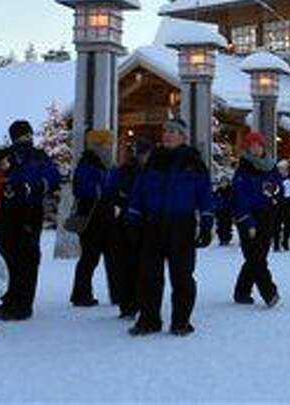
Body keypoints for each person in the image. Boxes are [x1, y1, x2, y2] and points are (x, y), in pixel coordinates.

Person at [125, 119, 213, 336]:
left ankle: (181, 321)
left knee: (182, 276)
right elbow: (138, 192)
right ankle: (149, 320)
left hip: (181, 225)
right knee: (149, 275)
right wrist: (133, 219)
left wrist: (207, 222)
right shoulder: (153, 161)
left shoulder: (193, 162)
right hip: (153, 224)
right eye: (166, 131)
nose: (168, 135)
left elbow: (205, 195)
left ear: (183, 137)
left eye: (174, 132)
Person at [0, 119, 61, 321]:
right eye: (22, 136)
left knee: (27, 256)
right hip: (7, 211)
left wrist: (35, 187)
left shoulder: (38, 157)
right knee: (8, 253)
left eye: (28, 136)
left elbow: (52, 178)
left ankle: (23, 304)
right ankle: (11, 298)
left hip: (29, 210)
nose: (26, 139)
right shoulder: (5, 156)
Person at [232, 130, 281, 307]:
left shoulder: (270, 166)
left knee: (258, 256)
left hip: (267, 214)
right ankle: (270, 292)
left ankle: (241, 292)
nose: (255, 148)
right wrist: (248, 221)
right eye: (252, 145)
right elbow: (240, 197)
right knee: (255, 257)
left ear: (263, 146)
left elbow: (278, 186)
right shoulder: (243, 170)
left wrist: (275, 191)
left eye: (258, 145)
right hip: (248, 218)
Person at [69, 136, 117, 308]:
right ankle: (81, 294)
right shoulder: (87, 165)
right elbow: (80, 188)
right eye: (106, 144)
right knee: (90, 257)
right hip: (91, 218)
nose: (109, 147)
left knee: (112, 257)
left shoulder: (109, 165)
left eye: (110, 144)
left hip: (106, 216)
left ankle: (117, 293)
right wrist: (99, 189)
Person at [108, 140, 151, 319]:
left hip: (144, 224)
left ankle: (138, 302)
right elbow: (112, 192)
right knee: (128, 265)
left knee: (141, 265)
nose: (143, 156)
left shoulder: (151, 172)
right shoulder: (126, 171)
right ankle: (128, 304)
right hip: (126, 224)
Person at [272, 160, 290, 253]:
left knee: (288, 225)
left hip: (288, 205)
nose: (283, 171)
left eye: (284, 169)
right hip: (277, 205)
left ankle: (285, 242)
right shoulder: (274, 180)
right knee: (276, 225)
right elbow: (270, 192)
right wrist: (273, 198)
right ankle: (276, 244)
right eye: (281, 169)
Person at [214, 178, 234, 246]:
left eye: (225, 182)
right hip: (219, 211)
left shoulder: (230, 190)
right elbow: (215, 200)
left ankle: (227, 238)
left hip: (228, 211)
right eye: (222, 182)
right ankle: (221, 239)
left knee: (227, 225)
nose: (224, 184)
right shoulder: (218, 191)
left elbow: (232, 200)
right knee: (220, 225)